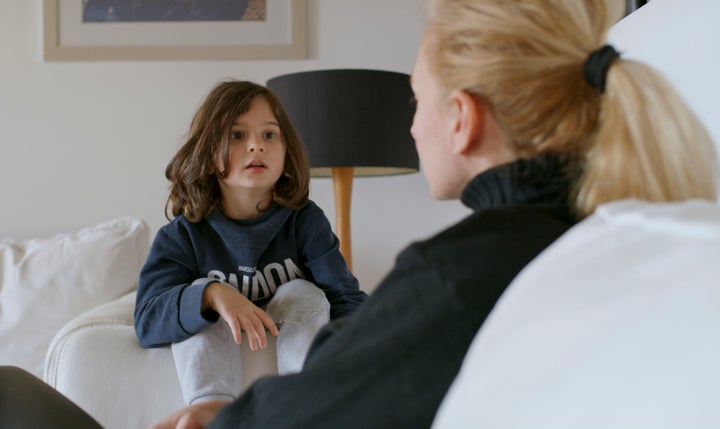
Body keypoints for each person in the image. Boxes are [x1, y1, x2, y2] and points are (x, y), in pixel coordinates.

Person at [0, 0, 716, 428]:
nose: (409, 126)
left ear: (460, 120)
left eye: (414, 98)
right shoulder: (607, 235)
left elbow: (339, 377)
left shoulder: (457, 278)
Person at [134, 80, 367, 405]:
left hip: (300, 358)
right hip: (215, 355)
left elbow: (343, 297)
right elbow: (146, 321)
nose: (256, 145)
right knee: (197, 293)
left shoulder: (306, 222)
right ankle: (209, 406)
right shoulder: (181, 236)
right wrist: (213, 294)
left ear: (287, 150)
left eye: (269, 134)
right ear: (209, 152)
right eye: (237, 135)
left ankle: (305, 400)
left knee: (303, 291)